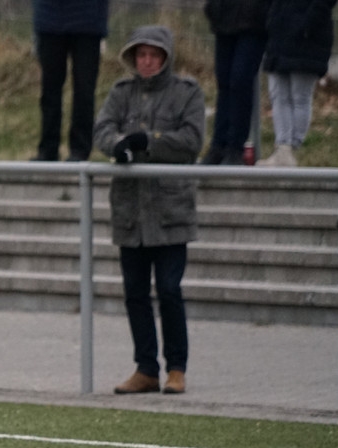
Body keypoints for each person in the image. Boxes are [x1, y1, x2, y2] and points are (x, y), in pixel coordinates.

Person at [93, 25, 204, 395]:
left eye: (154, 55)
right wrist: (118, 145)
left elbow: (192, 140)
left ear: (166, 58)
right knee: (135, 293)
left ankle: (177, 368)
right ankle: (146, 368)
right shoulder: (120, 92)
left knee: (169, 290)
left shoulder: (187, 92)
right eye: (141, 54)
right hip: (131, 213)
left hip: (171, 212)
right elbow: (102, 130)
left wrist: (150, 142)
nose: (147, 61)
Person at [256, 0, 337, 167]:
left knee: (300, 97)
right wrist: (271, 19)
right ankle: (282, 148)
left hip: (308, 40)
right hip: (279, 36)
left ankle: (291, 147)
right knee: (278, 95)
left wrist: (308, 25)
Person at [31, 0, 109, 162]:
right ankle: (48, 150)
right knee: (49, 91)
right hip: (49, 19)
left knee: (84, 91)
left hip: (88, 21)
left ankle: (80, 150)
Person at [200, 0, 269, 165]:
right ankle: (218, 145)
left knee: (240, 81)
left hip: (254, 19)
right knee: (224, 83)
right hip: (224, 16)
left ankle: (235, 147)